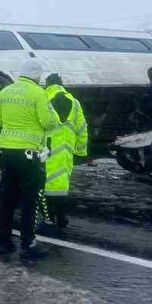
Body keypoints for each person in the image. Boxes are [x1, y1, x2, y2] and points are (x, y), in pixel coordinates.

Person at [0, 61, 57, 255]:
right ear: (37, 75)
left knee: (7, 198)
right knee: (30, 199)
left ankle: (4, 243)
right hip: (29, 152)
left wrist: (12, 125)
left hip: (7, 151)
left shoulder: (5, 91)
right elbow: (48, 122)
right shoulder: (38, 92)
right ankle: (28, 243)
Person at [41, 73, 88, 231]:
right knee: (61, 184)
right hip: (66, 149)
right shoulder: (75, 102)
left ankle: (49, 219)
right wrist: (81, 151)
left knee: (45, 184)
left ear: (47, 84)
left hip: (46, 148)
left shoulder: (43, 99)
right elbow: (82, 128)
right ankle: (61, 217)